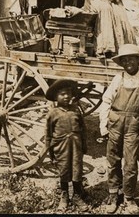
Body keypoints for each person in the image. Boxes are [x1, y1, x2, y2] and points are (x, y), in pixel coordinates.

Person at [97, 44, 139, 214]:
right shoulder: (118, 79)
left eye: (131, 58)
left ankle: (129, 197)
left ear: (138, 60)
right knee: (113, 160)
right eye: (124, 60)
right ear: (121, 63)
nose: (128, 62)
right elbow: (106, 102)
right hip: (115, 124)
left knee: (130, 163)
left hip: (132, 126)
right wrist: (103, 126)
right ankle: (113, 195)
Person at [45, 79, 89, 212]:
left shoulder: (75, 110)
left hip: (76, 146)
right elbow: (48, 134)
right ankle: (64, 195)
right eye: (62, 94)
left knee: (77, 169)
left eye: (69, 93)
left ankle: (76, 195)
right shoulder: (53, 114)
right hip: (61, 148)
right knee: (64, 170)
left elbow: (83, 129)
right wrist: (51, 152)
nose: (66, 96)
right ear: (55, 97)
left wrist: (84, 145)